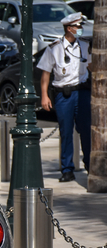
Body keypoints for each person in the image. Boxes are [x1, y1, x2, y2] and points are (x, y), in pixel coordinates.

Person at [37, 12, 92, 183]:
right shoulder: (54, 48)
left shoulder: (85, 46)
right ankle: (67, 169)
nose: (81, 29)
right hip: (64, 95)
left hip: (82, 93)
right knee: (66, 132)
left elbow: (91, 66)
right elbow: (45, 74)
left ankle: (91, 166)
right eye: (78, 26)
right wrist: (44, 96)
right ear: (69, 28)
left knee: (86, 131)